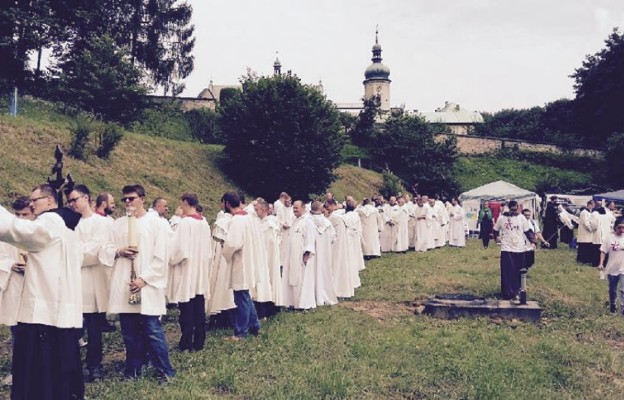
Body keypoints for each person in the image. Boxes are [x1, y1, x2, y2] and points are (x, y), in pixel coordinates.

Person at [0, 183, 85, 399]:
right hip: (64, 314)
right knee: (60, 378)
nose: (31, 204)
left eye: (34, 200)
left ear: (49, 201)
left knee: (37, 377)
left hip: (44, 315)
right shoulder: (71, 228)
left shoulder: (50, 221)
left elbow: (16, 230)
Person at [99, 184, 175, 382]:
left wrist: (144, 279)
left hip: (147, 284)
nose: (127, 203)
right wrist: (119, 251)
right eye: (124, 199)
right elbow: (106, 248)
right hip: (125, 281)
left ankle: (165, 370)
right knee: (129, 332)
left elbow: (161, 255)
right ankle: (133, 369)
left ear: (143, 199)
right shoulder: (118, 224)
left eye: (131, 198)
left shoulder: (156, 223)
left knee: (152, 330)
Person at [68, 184, 114, 382]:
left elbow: (96, 251)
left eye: (75, 199)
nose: (72, 204)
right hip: (74, 280)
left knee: (94, 328)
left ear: (86, 198)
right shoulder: (70, 223)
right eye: (69, 201)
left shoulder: (101, 223)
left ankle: (95, 364)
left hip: (93, 281)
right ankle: (73, 365)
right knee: (73, 328)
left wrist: (76, 252)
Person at [168, 192, 212, 351]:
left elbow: (179, 249)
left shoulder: (186, 223)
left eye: (181, 204)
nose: (181, 207)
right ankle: (199, 340)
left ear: (186, 202)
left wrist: (170, 258)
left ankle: (186, 342)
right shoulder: (204, 223)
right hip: (199, 269)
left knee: (186, 308)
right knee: (199, 306)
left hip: (187, 270)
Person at [0, 197, 33, 387]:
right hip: (14, 285)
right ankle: (17, 370)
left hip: (35, 287)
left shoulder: (38, 231)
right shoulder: (7, 235)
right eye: (17, 215)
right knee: (16, 331)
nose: (21, 218)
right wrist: (11, 264)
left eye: (25, 214)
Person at [221, 191, 263, 340]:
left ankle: (241, 332)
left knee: (241, 298)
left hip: (241, 262)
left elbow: (233, 243)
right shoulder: (249, 218)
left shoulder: (237, 220)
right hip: (248, 259)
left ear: (227, 204)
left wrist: (224, 249)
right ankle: (254, 326)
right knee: (245, 296)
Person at [493, 200, 534, 302]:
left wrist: (533, 242)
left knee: (515, 271)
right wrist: (496, 238)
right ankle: (508, 293)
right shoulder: (503, 218)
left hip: (519, 248)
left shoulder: (521, 218)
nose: (514, 210)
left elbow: (528, 231)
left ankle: (515, 291)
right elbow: (495, 230)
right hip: (507, 248)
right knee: (509, 271)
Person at [281, 200, 317, 310]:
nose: (294, 210)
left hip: (301, 256)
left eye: (297, 208)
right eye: (294, 208)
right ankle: (291, 301)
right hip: (292, 256)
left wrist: (307, 254)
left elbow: (310, 239)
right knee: (291, 278)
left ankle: (303, 304)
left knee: (302, 280)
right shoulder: (296, 221)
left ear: (303, 208)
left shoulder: (308, 221)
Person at [309, 201, 338, 306]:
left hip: (310, 254)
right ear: (321, 209)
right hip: (324, 253)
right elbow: (333, 238)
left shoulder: (307, 221)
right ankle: (323, 293)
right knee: (323, 271)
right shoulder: (327, 223)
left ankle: (311, 294)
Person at [326, 199, 354, 298]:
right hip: (342, 244)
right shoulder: (341, 215)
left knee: (335, 266)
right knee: (342, 266)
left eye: (327, 207)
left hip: (335, 245)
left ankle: (335, 288)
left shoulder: (333, 217)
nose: (327, 209)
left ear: (332, 205)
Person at [598, 216, 624, 314]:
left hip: (623, 267)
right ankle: (613, 304)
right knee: (612, 289)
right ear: (615, 227)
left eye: (623, 228)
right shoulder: (609, 238)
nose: (621, 230)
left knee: (623, 288)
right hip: (612, 267)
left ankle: (623, 307)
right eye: (619, 227)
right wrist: (601, 263)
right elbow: (603, 251)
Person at [577, 200, 596, 265]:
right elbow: (585, 222)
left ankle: (586, 259)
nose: (593, 206)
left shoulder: (590, 212)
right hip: (585, 232)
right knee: (584, 246)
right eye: (593, 205)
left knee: (587, 246)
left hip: (588, 233)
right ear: (589, 204)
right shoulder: (584, 212)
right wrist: (590, 229)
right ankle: (582, 259)